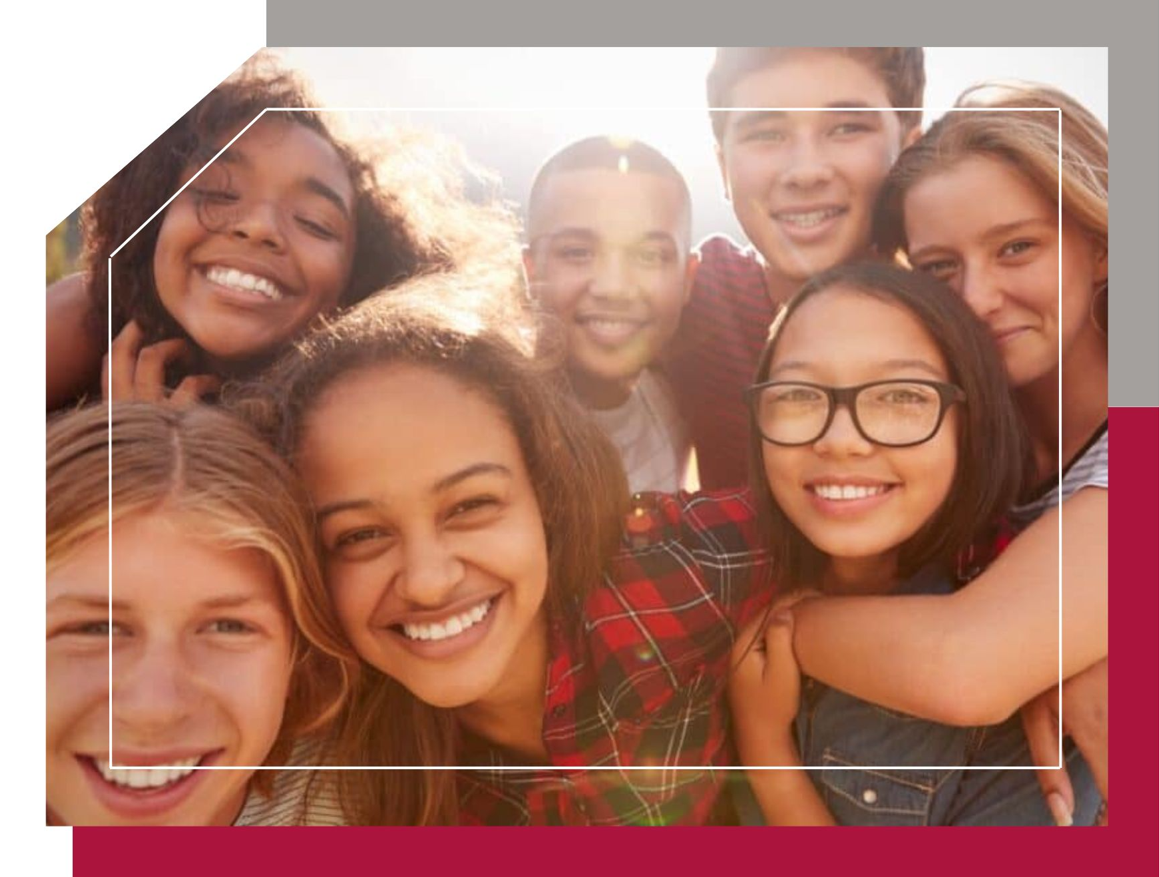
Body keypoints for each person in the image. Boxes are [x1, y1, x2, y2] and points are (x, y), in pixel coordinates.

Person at [233, 271, 806, 826]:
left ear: (547, 492)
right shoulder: (341, 765)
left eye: (470, 506)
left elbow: (856, 553)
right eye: (360, 536)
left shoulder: (674, 566)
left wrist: (822, 635)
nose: (429, 581)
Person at [770, 83, 1108, 826]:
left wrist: (784, 632)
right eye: (938, 268)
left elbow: (968, 665)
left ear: (1103, 246)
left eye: (1016, 247)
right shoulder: (963, 426)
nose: (978, 297)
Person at [728, 262, 1099, 825]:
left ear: (970, 425)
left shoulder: (1032, 696)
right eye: (800, 395)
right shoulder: (709, 593)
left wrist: (767, 755)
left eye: (901, 397)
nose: (841, 441)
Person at [46, 53, 518, 411]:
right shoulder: (83, 325)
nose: (258, 227)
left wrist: (148, 458)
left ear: (358, 281)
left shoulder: (375, 414)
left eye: (314, 222)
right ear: (151, 218)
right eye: (219, 192)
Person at [46, 402, 353, 825]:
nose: (155, 710)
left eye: (229, 627)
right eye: (94, 629)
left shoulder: (369, 807)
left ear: (296, 663)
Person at [665, 47, 925, 489]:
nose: (805, 172)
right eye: (767, 134)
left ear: (909, 153)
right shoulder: (697, 295)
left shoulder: (964, 307)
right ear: (724, 168)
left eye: (846, 128)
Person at [523, 136, 697, 492]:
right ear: (531, 272)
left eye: (649, 256)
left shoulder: (673, 400)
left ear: (687, 279)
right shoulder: (490, 428)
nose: (614, 287)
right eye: (576, 252)